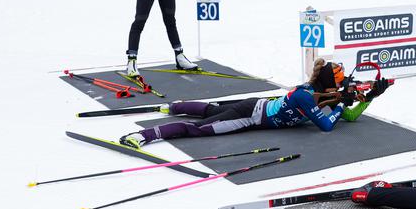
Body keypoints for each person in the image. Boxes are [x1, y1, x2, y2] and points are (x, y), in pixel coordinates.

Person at [119, 59, 388, 149]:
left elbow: (349, 117)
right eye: (339, 85)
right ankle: (143, 135)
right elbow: (327, 125)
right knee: (199, 129)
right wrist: (342, 104)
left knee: (213, 110)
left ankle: (175, 106)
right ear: (330, 83)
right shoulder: (307, 96)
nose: (341, 89)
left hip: (256, 105)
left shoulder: (323, 95)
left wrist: (370, 96)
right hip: (249, 116)